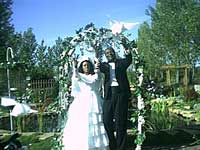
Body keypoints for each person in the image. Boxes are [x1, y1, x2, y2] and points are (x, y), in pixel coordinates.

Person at [62, 56, 109, 150]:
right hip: (82, 102)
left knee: (94, 123)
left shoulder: (95, 76)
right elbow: (75, 76)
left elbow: (97, 78)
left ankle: (96, 145)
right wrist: (74, 67)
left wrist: (97, 65)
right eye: (84, 65)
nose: (86, 67)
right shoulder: (79, 76)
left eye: (87, 65)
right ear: (81, 67)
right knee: (82, 123)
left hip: (94, 101)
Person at [98, 46, 132, 150]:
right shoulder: (104, 66)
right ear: (105, 55)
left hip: (121, 94)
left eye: (111, 52)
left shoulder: (121, 63)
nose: (109, 54)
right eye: (107, 53)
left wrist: (127, 50)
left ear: (114, 52)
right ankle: (112, 145)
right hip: (108, 95)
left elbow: (129, 60)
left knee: (120, 122)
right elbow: (96, 66)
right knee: (106, 120)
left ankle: (121, 147)